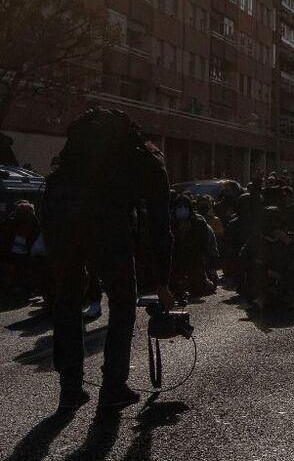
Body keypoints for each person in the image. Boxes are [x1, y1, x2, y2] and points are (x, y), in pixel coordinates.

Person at [43, 109, 174, 410]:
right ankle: (113, 386)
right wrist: (163, 282)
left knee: (67, 297)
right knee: (123, 299)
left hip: (56, 203)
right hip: (101, 214)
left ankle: (70, 388)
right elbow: (160, 227)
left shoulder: (84, 152)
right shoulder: (151, 165)